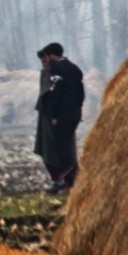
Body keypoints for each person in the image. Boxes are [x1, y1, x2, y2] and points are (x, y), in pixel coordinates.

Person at [35, 42, 85, 193]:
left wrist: (55, 115)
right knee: (64, 146)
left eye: (47, 57)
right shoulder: (75, 69)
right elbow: (80, 93)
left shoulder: (56, 69)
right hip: (75, 113)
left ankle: (71, 179)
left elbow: (56, 93)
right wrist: (78, 109)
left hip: (62, 115)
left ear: (51, 56)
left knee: (60, 148)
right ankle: (69, 180)